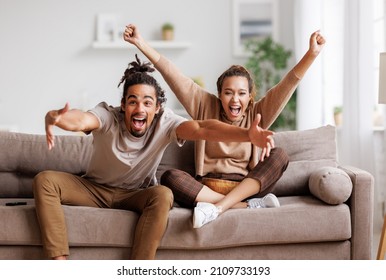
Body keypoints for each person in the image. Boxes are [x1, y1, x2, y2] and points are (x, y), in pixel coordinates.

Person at [32, 55, 275, 260]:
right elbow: (82, 119)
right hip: (94, 189)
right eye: (133, 102)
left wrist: (247, 135)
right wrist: (57, 118)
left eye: (147, 102)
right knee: (45, 180)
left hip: (136, 194)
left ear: (157, 108)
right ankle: (58, 264)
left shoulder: (166, 122)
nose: (140, 109)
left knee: (163, 194)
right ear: (123, 105)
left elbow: (202, 128)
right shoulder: (108, 116)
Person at [123, 24, 326, 229]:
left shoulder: (258, 113)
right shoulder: (204, 105)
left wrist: (311, 54)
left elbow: (288, 83)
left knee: (280, 155)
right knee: (169, 177)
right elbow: (172, 74)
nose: (234, 99)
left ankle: (219, 208)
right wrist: (141, 43)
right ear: (220, 95)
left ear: (250, 97)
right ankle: (245, 207)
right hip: (207, 187)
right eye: (228, 92)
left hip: (247, 186)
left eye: (241, 93)